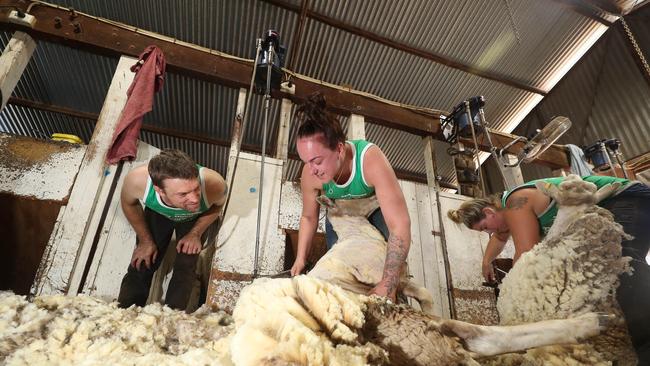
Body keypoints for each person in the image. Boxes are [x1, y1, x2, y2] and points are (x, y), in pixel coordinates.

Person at [447, 175, 650, 362]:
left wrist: (522, 298)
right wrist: (486, 261)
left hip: (626, 198)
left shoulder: (514, 205)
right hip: (619, 204)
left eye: (485, 228)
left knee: (622, 267)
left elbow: (526, 255)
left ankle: (643, 339)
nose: (488, 233)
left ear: (489, 212)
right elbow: (500, 238)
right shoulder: (505, 216)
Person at [289, 94, 411, 302]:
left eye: (317, 161)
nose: (311, 170)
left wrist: (388, 285)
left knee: (389, 275)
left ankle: (398, 301)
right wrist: (300, 258)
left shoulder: (370, 160)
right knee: (339, 268)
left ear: (339, 148)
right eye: (305, 161)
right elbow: (309, 218)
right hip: (341, 215)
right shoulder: (310, 175)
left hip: (372, 211)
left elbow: (400, 225)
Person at [117, 149, 226, 310]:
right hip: (158, 213)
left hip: (194, 219)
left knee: (186, 265)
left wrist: (195, 234)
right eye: (183, 194)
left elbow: (217, 207)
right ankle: (124, 313)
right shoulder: (137, 181)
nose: (195, 199)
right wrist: (145, 241)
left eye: (196, 189)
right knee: (142, 261)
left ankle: (172, 317)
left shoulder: (214, 183)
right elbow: (129, 203)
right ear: (159, 190)